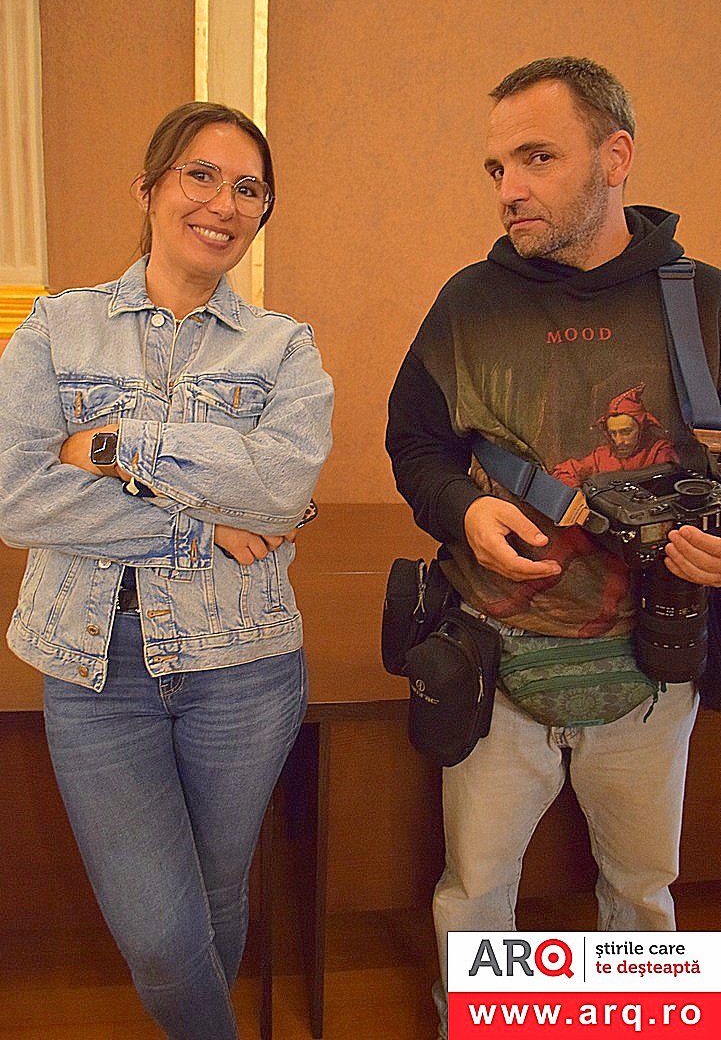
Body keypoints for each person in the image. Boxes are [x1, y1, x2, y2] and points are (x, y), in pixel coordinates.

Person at [385, 57, 721, 1039]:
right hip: (492, 669)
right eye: (496, 167)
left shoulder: (704, 302)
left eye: (537, 158)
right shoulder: (468, 302)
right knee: (474, 896)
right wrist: (462, 512)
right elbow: (416, 444)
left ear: (614, 156)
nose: (509, 189)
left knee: (641, 899)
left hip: (650, 672)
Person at [0, 102, 333, 1040]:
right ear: (147, 189)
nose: (223, 203)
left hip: (244, 664)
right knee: (157, 930)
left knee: (213, 894)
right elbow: (14, 496)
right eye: (201, 175)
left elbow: (279, 490)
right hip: (92, 669)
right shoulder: (56, 327)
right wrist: (202, 523)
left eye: (248, 188)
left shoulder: (284, 347)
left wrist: (110, 444)